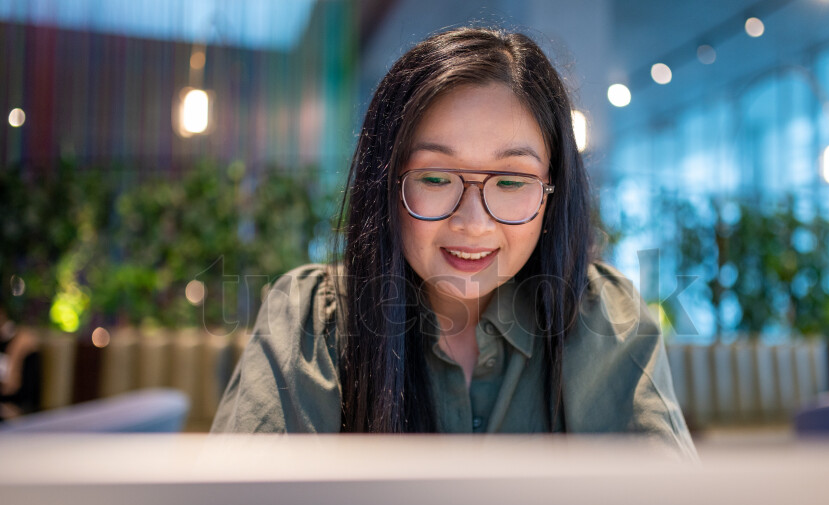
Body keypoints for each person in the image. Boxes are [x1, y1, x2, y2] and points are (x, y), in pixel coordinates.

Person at [211, 27, 696, 458]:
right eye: (436, 177)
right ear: (387, 185)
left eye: (510, 182)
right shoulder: (311, 318)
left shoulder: (603, 314)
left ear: (553, 192)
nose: (473, 222)